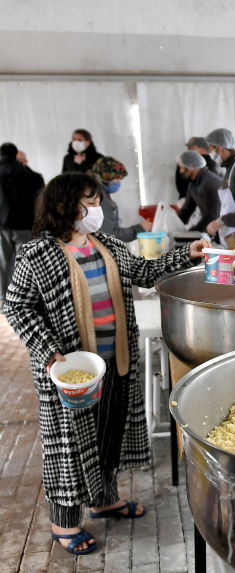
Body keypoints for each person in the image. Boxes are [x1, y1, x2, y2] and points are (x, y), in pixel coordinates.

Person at [3, 172, 208, 556]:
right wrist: (49, 352)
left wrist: (187, 254)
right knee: (67, 447)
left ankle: (104, 500)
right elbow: (16, 306)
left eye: (97, 202)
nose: (97, 210)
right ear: (64, 206)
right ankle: (63, 524)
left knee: (108, 435)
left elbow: (144, 273)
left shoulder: (107, 245)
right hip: (68, 372)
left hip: (115, 362)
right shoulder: (36, 254)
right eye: (90, 202)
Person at [0, 142, 44, 305]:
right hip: (24, 226)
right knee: (23, 263)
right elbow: (38, 192)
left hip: (2, 227)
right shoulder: (28, 175)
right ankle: (21, 298)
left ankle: (4, 299)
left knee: (3, 264)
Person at [90, 157, 152, 242]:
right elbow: (110, 235)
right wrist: (139, 229)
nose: (119, 182)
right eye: (117, 178)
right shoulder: (100, 199)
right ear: (106, 177)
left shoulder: (95, 192)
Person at [176, 150, 222, 233]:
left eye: (182, 167)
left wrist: (193, 232)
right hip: (210, 227)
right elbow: (187, 209)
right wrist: (174, 226)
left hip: (221, 229)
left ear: (190, 167)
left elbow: (211, 215)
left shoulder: (209, 183)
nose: (180, 171)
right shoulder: (194, 183)